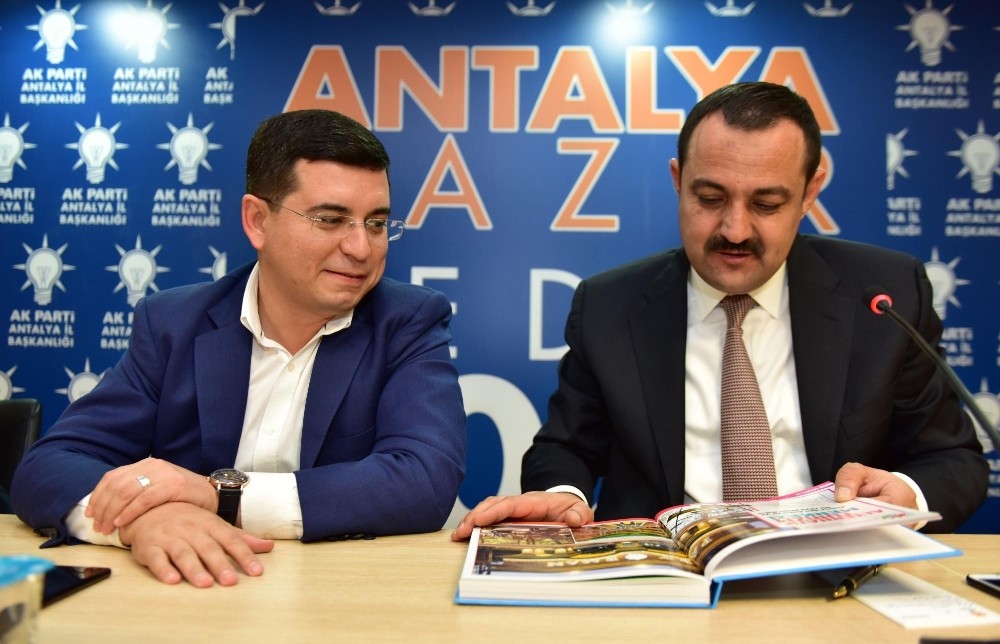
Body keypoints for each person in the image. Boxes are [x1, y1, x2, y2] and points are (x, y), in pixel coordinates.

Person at [452, 81, 987, 541]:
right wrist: (564, 495)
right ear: (677, 179)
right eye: (709, 198)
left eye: (766, 204)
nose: (734, 230)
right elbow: (565, 447)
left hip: (838, 575)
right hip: (664, 584)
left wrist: (905, 492)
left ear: (810, 192)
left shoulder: (884, 296)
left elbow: (953, 459)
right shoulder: (609, 307)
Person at [12, 109, 467, 587]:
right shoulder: (173, 324)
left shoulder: (408, 321)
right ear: (257, 221)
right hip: (190, 595)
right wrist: (143, 520)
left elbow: (424, 480)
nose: (361, 248)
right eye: (331, 220)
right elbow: (49, 467)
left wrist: (219, 497)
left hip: (336, 595)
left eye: (376, 223)